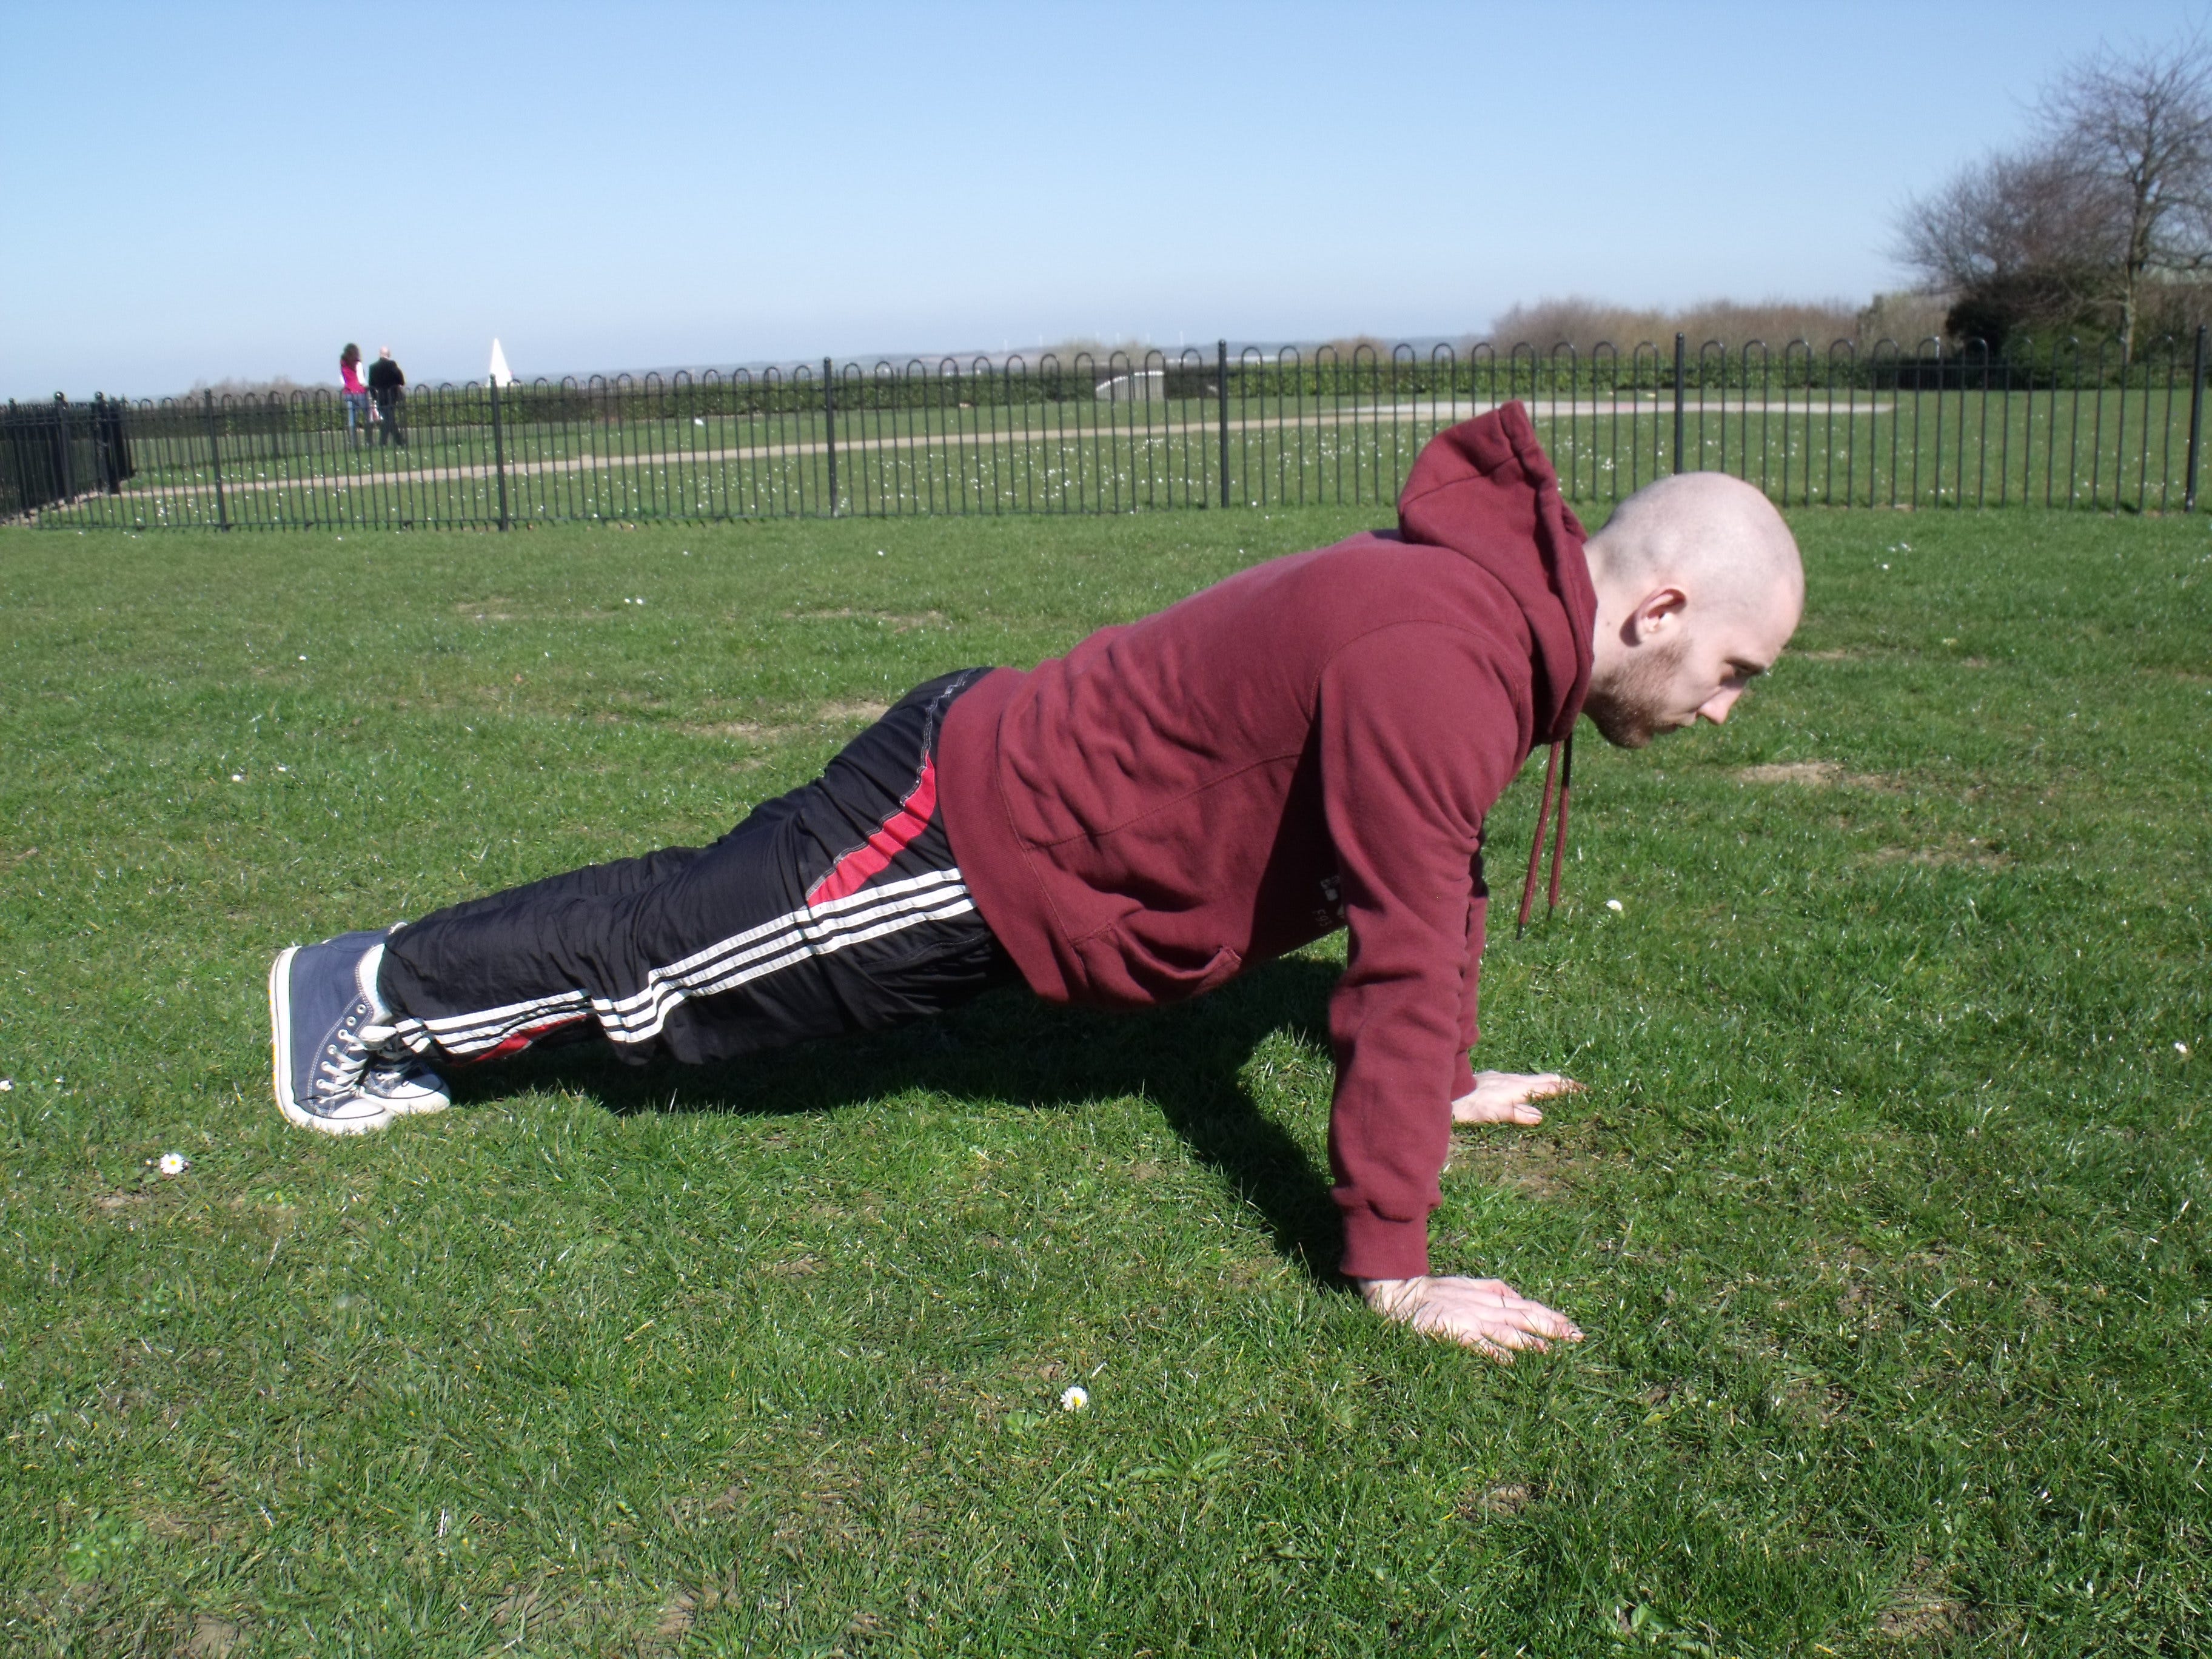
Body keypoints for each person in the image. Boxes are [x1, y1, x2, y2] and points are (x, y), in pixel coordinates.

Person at [266, 403, 1803, 1359]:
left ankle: (399, 1001)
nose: (1726, 709)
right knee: (667, 972)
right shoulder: (1450, 655)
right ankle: (362, 993)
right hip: (971, 828)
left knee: (690, 964)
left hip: (1003, 807)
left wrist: (1449, 1076)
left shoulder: (1490, 625)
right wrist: (1393, 1268)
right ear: (1660, 608)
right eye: (1734, 670)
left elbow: (1440, 878)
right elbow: (1400, 950)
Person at [366, 346, 406, 447]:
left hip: (380, 397)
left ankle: (399, 441)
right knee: (390, 419)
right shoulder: (392, 365)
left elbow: (371, 385)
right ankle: (385, 442)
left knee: (389, 419)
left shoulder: (373, 367)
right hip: (392, 396)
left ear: (380, 354)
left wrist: (374, 398)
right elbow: (401, 380)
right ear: (389, 355)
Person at [339, 344, 371, 446]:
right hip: (360, 392)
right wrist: (368, 386)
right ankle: (368, 441)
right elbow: (361, 380)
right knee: (367, 416)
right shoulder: (358, 363)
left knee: (352, 418)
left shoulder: (343, 364)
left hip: (348, 392)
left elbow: (342, 380)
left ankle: (353, 442)